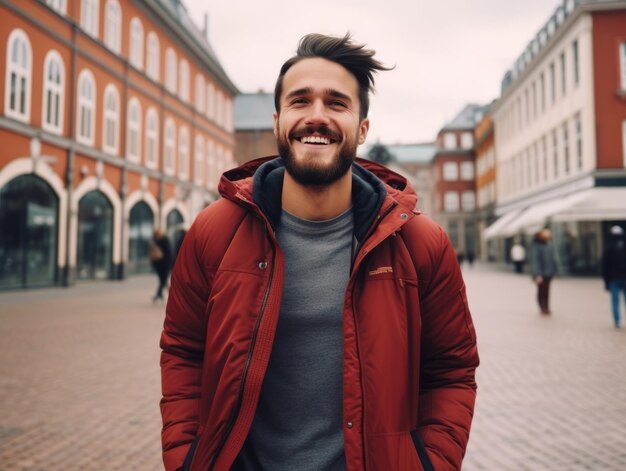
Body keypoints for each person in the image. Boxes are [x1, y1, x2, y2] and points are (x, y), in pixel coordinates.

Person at [160, 33, 479, 471]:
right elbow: (183, 351)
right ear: (277, 121)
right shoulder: (214, 232)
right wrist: (188, 456)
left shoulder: (420, 244)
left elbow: (451, 371)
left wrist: (429, 463)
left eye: (336, 103)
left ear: (362, 128)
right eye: (300, 101)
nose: (316, 117)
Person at [601, 225, 626, 328]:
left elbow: (605, 266)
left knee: (615, 301)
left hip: (614, 278)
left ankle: (617, 321)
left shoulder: (608, 247)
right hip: (623, 277)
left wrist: (606, 282)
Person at [530, 228, 558, 315]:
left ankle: (546, 306)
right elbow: (535, 261)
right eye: (546, 233)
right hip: (541, 273)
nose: (548, 235)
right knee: (541, 291)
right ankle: (542, 307)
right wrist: (537, 274)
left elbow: (553, 259)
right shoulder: (536, 246)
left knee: (547, 291)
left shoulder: (549, 245)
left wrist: (555, 270)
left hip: (549, 273)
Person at [150, 228, 172, 303]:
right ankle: (162, 295)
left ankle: (158, 295)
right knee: (163, 281)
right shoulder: (159, 241)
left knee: (163, 280)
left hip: (163, 264)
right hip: (160, 264)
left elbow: (168, 253)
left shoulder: (161, 241)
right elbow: (169, 253)